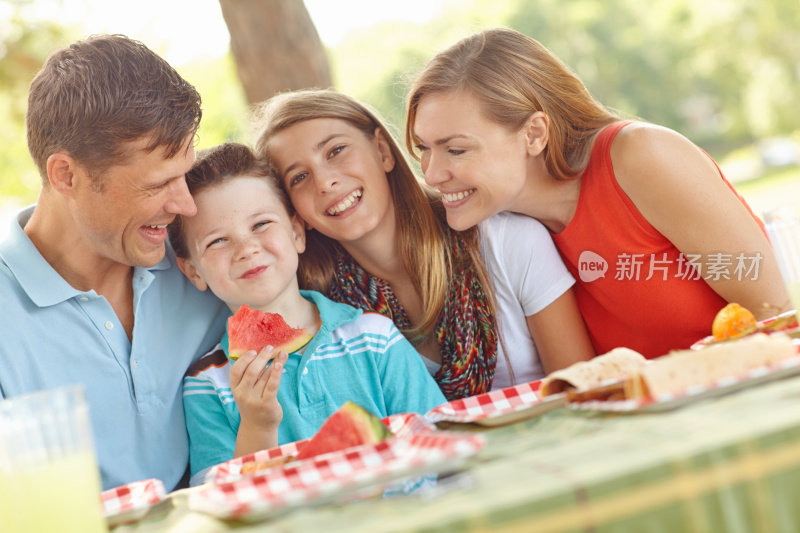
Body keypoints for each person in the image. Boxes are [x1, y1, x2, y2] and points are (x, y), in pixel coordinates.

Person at [405, 27, 791, 359]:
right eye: (424, 148)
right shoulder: (505, 229)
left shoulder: (641, 157)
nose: (433, 174)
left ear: (534, 134)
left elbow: (775, 313)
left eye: (456, 149)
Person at [253, 89, 594, 401]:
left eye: (336, 151)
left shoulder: (507, 241)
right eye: (299, 177)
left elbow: (585, 393)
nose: (325, 181)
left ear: (383, 152)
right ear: (296, 213)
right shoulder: (320, 311)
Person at [0, 35, 229, 491]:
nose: (185, 204)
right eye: (157, 184)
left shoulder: (202, 261)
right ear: (66, 175)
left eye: (185, 173)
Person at [168, 143, 446, 486]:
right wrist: (256, 425)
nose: (247, 248)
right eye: (218, 241)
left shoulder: (374, 338)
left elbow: (440, 446)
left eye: (261, 224)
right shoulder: (207, 383)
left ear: (297, 233)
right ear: (192, 271)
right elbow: (228, 506)